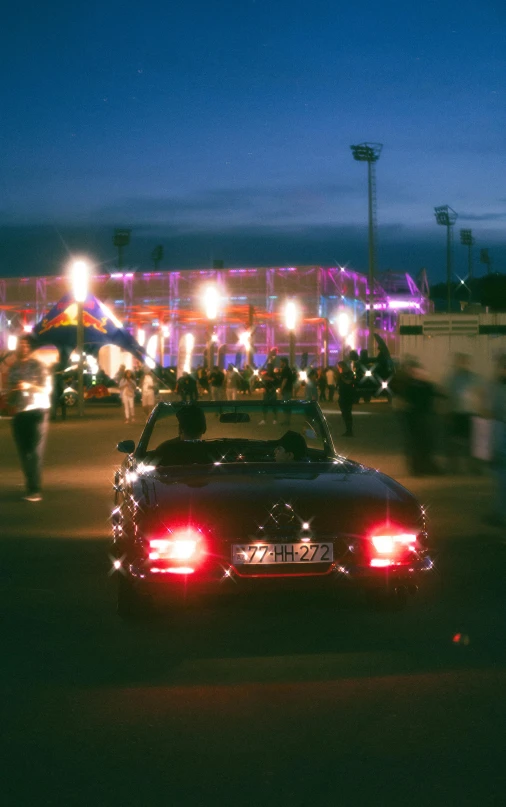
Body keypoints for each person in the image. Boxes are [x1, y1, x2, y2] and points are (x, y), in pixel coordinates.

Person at [8, 335, 51, 501]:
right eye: (20, 344)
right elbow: (10, 395)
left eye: (26, 345)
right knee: (23, 452)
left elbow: (46, 389)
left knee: (34, 451)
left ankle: (34, 489)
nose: (23, 347)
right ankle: (29, 482)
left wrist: (29, 386)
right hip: (19, 412)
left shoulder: (39, 366)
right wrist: (13, 393)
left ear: (30, 348)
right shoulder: (13, 369)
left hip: (37, 411)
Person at [444, 353, 479, 473]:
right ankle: (454, 467)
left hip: (469, 413)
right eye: (460, 362)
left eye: (463, 362)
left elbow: (478, 395)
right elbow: (449, 395)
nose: (462, 364)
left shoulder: (472, 378)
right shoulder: (453, 378)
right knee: (456, 441)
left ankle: (473, 467)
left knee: (471, 441)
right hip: (457, 413)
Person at [337, 360, 355, 437]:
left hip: (347, 396)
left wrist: (341, 377)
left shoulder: (348, 374)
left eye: (339, 367)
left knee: (347, 413)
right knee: (345, 414)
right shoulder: (342, 374)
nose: (338, 369)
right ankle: (348, 430)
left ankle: (349, 430)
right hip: (343, 396)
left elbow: (349, 382)